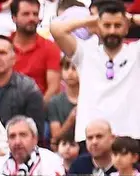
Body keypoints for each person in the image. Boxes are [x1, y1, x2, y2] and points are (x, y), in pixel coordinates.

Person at [51, 4, 140, 143]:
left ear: (126, 28)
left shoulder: (136, 52)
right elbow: (56, 29)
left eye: (118, 25)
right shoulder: (85, 53)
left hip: (129, 138)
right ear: (98, 27)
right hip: (91, 138)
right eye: (107, 25)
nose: (112, 30)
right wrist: (91, 20)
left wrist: (132, 19)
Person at [0, 36, 46, 139]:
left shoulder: (28, 89)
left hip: (16, 149)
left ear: (13, 58)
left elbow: (36, 134)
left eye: (3, 53)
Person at [46, 56, 78, 148]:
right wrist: (70, 120)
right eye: (66, 67)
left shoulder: (89, 99)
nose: (70, 72)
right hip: (64, 149)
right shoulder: (55, 102)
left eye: (74, 68)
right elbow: (55, 137)